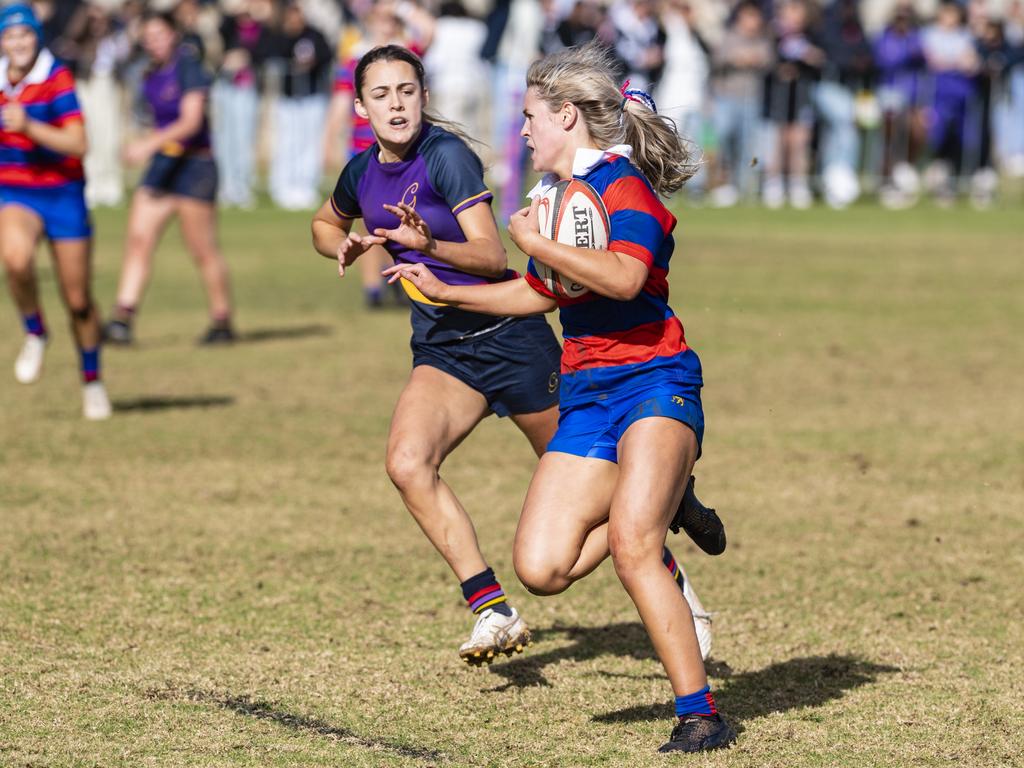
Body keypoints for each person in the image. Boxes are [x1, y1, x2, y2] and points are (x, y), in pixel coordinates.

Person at [311, 44, 722, 667]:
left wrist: (432, 252)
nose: (396, 104)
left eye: (406, 90)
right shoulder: (360, 171)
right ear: (361, 105)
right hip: (445, 345)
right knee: (406, 462)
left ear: (424, 95)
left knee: (607, 498)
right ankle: (492, 608)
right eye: (381, 94)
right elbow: (323, 223)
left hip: (512, 339)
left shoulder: (446, 156)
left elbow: (489, 256)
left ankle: (668, 534)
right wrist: (343, 243)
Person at [0, 4, 111, 420]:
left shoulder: (55, 78)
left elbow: (79, 144)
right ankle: (35, 330)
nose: (18, 43)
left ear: (36, 37)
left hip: (63, 195)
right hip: (16, 193)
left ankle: (92, 379)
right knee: (14, 257)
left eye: (24, 35)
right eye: (9, 37)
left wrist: (29, 126)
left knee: (79, 301)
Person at [103, 11, 234, 346]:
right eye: (147, 37)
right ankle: (123, 317)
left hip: (195, 167)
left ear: (173, 34)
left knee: (201, 249)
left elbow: (191, 122)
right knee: (138, 239)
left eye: (159, 34)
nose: (154, 42)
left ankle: (221, 320)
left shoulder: (188, 66)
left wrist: (148, 143)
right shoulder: (148, 72)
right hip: (163, 166)